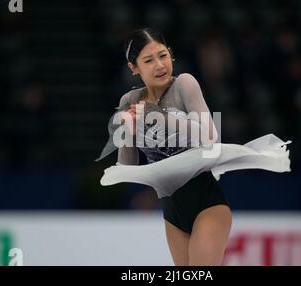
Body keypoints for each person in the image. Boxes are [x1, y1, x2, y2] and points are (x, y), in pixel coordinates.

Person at [96, 28, 291, 266]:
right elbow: (127, 166)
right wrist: (127, 131)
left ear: (171, 55)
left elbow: (211, 138)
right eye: (148, 60)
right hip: (172, 214)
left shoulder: (184, 85)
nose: (159, 65)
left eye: (163, 55)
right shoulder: (129, 101)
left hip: (207, 205)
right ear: (133, 68)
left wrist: (161, 116)